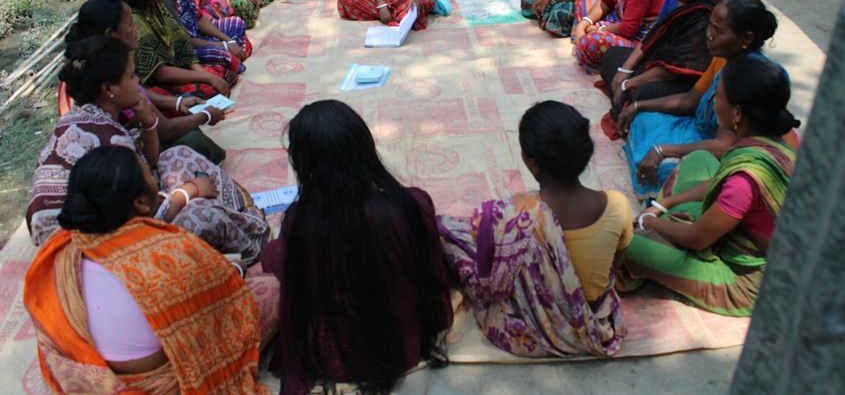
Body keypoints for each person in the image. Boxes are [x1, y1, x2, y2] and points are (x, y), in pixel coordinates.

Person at [23, 145, 273, 394]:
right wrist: (234, 271)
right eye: (148, 174)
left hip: (91, 374)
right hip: (165, 383)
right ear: (141, 203)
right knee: (273, 289)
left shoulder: (60, 246)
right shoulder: (166, 253)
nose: (155, 180)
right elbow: (218, 308)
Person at [260, 100, 453, 395]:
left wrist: (271, 249)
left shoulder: (301, 221)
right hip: (404, 350)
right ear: (365, 148)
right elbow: (433, 275)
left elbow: (277, 264)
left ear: (304, 163)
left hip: (331, 360)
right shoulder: (412, 204)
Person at [27, 36, 270, 263]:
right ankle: (251, 248)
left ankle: (240, 212)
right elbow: (142, 216)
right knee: (203, 215)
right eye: (133, 77)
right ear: (109, 89)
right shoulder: (110, 141)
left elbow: (150, 163)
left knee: (176, 154)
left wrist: (148, 121)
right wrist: (189, 191)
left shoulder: (88, 119)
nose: (138, 83)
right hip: (88, 254)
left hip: (101, 222)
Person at [438, 101, 631, 358]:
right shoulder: (618, 205)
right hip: (597, 323)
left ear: (533, 164)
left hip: (532, 329)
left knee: (449, 235)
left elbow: (492, 285)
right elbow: (615, 266)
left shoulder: (514, 213)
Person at [617, 56, 800, 317]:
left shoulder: (745, 178)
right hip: (737, 229)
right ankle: (667, 233)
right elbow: (719, 182)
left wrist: (650, 222)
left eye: (718, 96)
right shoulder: (776, 140)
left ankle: (648, 253)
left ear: (737, 113)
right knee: (699, 159)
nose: (712, 102)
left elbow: (697, 238)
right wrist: (664, 204)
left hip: (744, 283)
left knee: (625, 242)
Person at [617, 0, 787, 198]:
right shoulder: (723, 59)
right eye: (710, 25)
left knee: (669, 168)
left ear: (747, 38)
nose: (709, 35)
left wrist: (663, 150)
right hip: (698, 130)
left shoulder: (746, 79)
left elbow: (724, 146)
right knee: (642, 119)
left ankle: (666, 197)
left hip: (719, 151)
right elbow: (690, 100)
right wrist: (638, 106)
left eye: (719, 31)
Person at [63, 0, 227, 163]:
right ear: (110, 33)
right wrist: (205, 115)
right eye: (130, 23)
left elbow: (142, 94)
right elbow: (165, 132)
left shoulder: (107, 67)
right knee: (193, 141)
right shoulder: (111, 80)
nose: (137, 27)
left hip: (136, 147)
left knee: (184, 116)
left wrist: (176, 103)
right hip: (125, 167)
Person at [601, 0, 728, 120]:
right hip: (658, 63)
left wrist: (628, 83)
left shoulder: (704, 17)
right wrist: (625, 70)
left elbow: (673, 70)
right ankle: (624, 99)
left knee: (637, 95)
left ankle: (627, 106)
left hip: (683, 80)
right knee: (613, 56)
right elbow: (653, 34)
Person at [114, 0, 234, 101]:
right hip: (151, 84)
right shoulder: (133, 20)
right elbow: (160, 73)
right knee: (209, 86)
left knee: (223, 68)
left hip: (174, 69)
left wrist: (203, 73)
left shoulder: (155, 4)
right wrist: (207, 78)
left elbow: (182, 44)